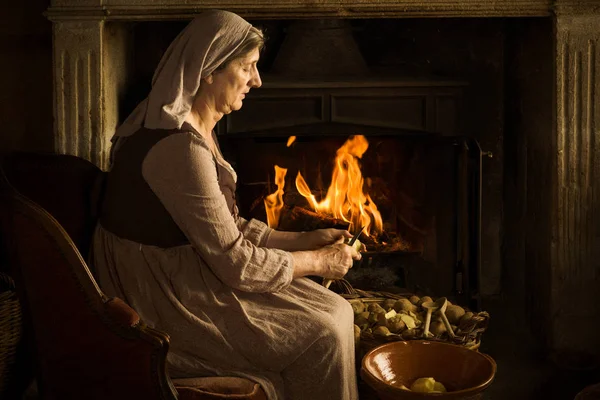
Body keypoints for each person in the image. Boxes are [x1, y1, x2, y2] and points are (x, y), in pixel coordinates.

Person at [91, 9, 361, 400]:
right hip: (163, 296)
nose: (257, 80)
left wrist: (304, 240)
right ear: (209, 70)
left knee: (335, 311)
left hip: (185, 268)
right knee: (323, 332)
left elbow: (223, 226)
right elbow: (235, 262)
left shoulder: (192, 127)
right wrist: (320, 263)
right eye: (248, 67)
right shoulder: (179, 149)